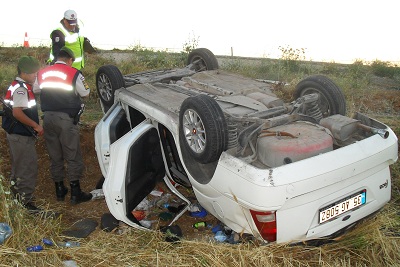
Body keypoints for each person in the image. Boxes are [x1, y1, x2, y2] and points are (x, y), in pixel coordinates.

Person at [34, 46, 92, 204]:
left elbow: (35, 89)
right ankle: (75, 193)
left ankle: (59, 190)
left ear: (57, 57)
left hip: (48, 119)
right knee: (72, 155)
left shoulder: (43, 72)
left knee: (55, 156)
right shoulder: (74, 73)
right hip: (66, 119)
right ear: (70, 60)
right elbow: (86, 93)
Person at [1, 56, 44, 211]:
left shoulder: (17, 85)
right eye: (33, 73)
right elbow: (18, 113)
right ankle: (27, 202)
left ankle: (15, 196)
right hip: (21, 135)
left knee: (18, 166)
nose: (35, 76)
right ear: (24, 72)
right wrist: (36, 126)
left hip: (16, 134)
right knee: (27, 167)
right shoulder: (21, 89)